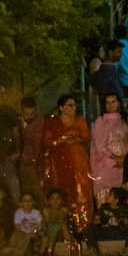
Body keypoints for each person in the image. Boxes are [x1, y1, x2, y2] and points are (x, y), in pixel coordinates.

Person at [40, 92, 93, 226]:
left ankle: (83, 225)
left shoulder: (79, 120)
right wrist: (62, 140)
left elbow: (87, 138)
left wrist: (76, 139)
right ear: (61, 108)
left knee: (81, 191)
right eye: (70, 105)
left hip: (78, 162)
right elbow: (47, 142)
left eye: (74, 105)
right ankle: (63, 226)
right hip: (60, 162)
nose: (73, 108)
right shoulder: (53, 122)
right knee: (62, 191)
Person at [89, 91, 128, 206]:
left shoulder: (127, 121)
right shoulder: (100, 122)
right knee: (105, 198)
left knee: (122, 198)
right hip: (105, 165)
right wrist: (114, 158)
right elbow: (99, 145)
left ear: (119, 103)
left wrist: (124, 159)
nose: (110, 105)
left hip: (123, 165)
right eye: (107, 102)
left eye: (113, 101)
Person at [16, 95, 45, 195]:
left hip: (35, 163)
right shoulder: (16, 121)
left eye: (32, 114)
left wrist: (35, 160)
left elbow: (37, 142)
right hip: (19, 161)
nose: (29, 117)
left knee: (37, 191)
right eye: (26, 114)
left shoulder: (40, 122)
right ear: (21, 111)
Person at [7, 191, 45, 256]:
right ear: (20, 203)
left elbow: (40, 225)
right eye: (24, 201)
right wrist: (24, 233)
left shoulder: (36, 212)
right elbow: (17, 226)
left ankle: (39, 255)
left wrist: (34, 232)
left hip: (34, 232)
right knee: (21, 238)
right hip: (21, 233)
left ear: (33, 202)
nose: (27, 203)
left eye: (29, 200)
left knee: (42, 237)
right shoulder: (18, 212)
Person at [39, 188, 70, 256]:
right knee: (54, 228)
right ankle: (48, 250)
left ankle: (70, 245)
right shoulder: (46, 211)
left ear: (62, 201)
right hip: (48, 232)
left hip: (61, 233)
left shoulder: (64, 210)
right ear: (49, 201)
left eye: (58, 199)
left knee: (59, 226)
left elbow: (63, 222)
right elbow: (45, 224)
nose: (55, 201)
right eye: (52, 199)